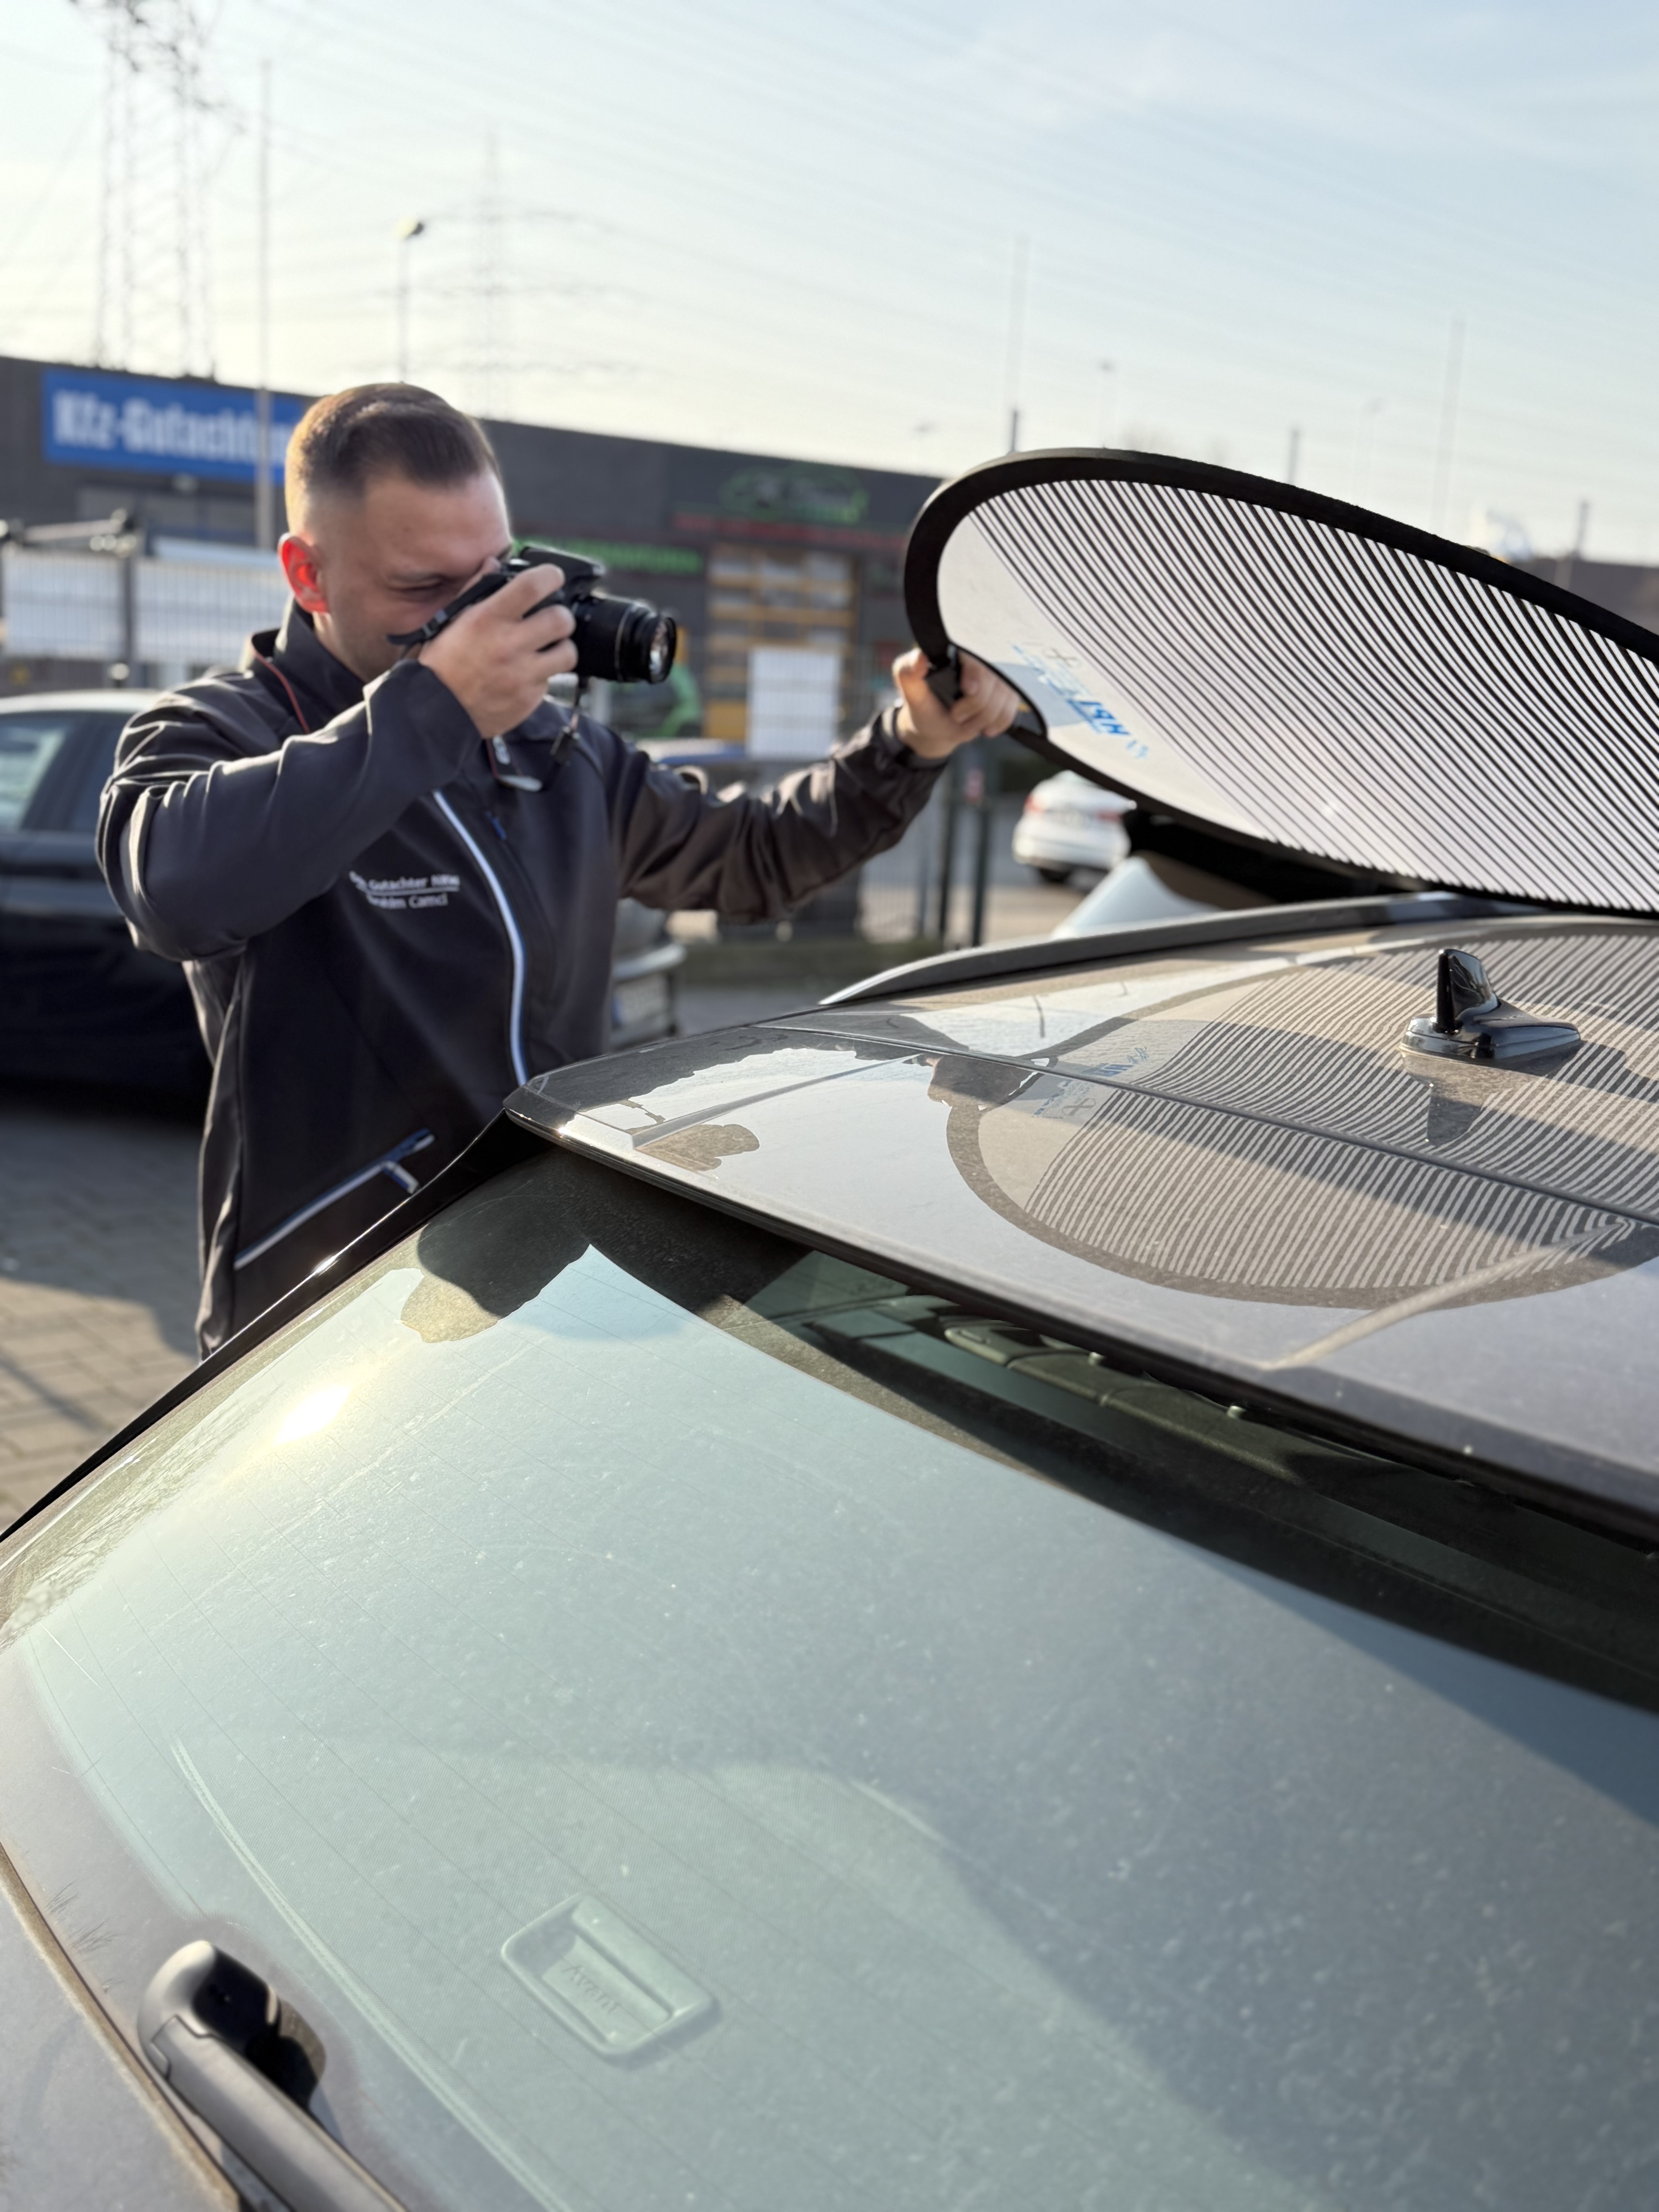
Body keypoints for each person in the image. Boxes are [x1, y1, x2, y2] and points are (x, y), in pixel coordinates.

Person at [98, 384, 1021, 1356]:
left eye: (493, 577)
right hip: (330, 1311)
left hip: (547, 1277)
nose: (469, 620)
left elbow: (756, 859)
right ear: (308, 574)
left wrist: (910, 742)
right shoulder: (224, 729)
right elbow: (173, 890)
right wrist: (435, 710)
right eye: (424, 589)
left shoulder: (556, 750)